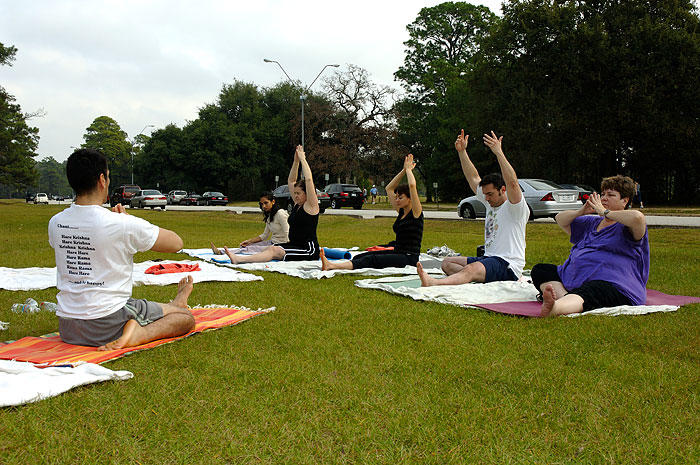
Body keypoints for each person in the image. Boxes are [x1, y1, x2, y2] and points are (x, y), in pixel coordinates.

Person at [48, 149, 195, 350]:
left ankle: (174, 304)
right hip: (108, 320)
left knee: (153, 308)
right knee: (185, 318)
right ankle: (139, 333)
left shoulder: (56, 222)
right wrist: (125, 221)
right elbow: (176, 243)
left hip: (69, 327)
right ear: (102, 179)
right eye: (108, 176)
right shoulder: (120, 224)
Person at [417, 130, 529, 286]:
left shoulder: (515, 208)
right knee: (447, 263)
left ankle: (434, 283)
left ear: (503, 190)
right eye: (485, 195)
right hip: (488, 258)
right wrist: (462, 152)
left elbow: (513, 183)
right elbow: (473, 177)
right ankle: (475, 276)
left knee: (472, 269)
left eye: (490, 194)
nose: (486, 198)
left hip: (507, 264)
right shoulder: (490, 200)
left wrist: (498, 153)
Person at [531, 175, 649, 317]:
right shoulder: (591, 223)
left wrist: (605, 212)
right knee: (541, 270)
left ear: (625, 200)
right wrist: (581, 211)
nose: (604, 198)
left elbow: (638, 218)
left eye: (611, 195)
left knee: (593, 290)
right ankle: (565, 298)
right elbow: (560, 219)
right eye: (603, 194)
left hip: (612, 284)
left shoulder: (627, 226)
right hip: (576, 278)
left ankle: (556, 308)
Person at [321, 154, 423, 271]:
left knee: (372, 260)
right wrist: (403, 170)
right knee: (362, 256)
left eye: (400, 198)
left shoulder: (416, 212)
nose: (397, 200)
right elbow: (389, 188)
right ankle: (337, 265)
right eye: (396, 197)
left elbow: (412, 185)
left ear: (410, 199)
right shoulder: (401, 211)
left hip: (409, 258)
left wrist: (409, 170)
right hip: (397, 252)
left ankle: (331, 266)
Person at [224, 145, 320, 263]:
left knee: (274, 251)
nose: (295, 196)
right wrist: (296, 161)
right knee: (271, 248)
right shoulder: (297, 204)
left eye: (298, 193)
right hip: (295, 245)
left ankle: (239, 260)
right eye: (294, 193)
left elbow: (309, 180)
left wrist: (303, 159)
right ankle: (240, 258)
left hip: (308, 249)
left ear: (307, 194)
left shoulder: (311, 206)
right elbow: (291, 181)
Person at [210, 191, 289, 254]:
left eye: (266, 203)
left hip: (281, 245)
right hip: (272, 242)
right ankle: (224, 251)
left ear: (273, 202)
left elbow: (288, 232)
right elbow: (264, 235)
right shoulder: (269, 216)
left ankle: (221, 252)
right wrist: (249, 241)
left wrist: (289, 249)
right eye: (262, 204)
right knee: (247, 246)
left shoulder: (280, 214)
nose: (263, 206)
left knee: (249, 249)